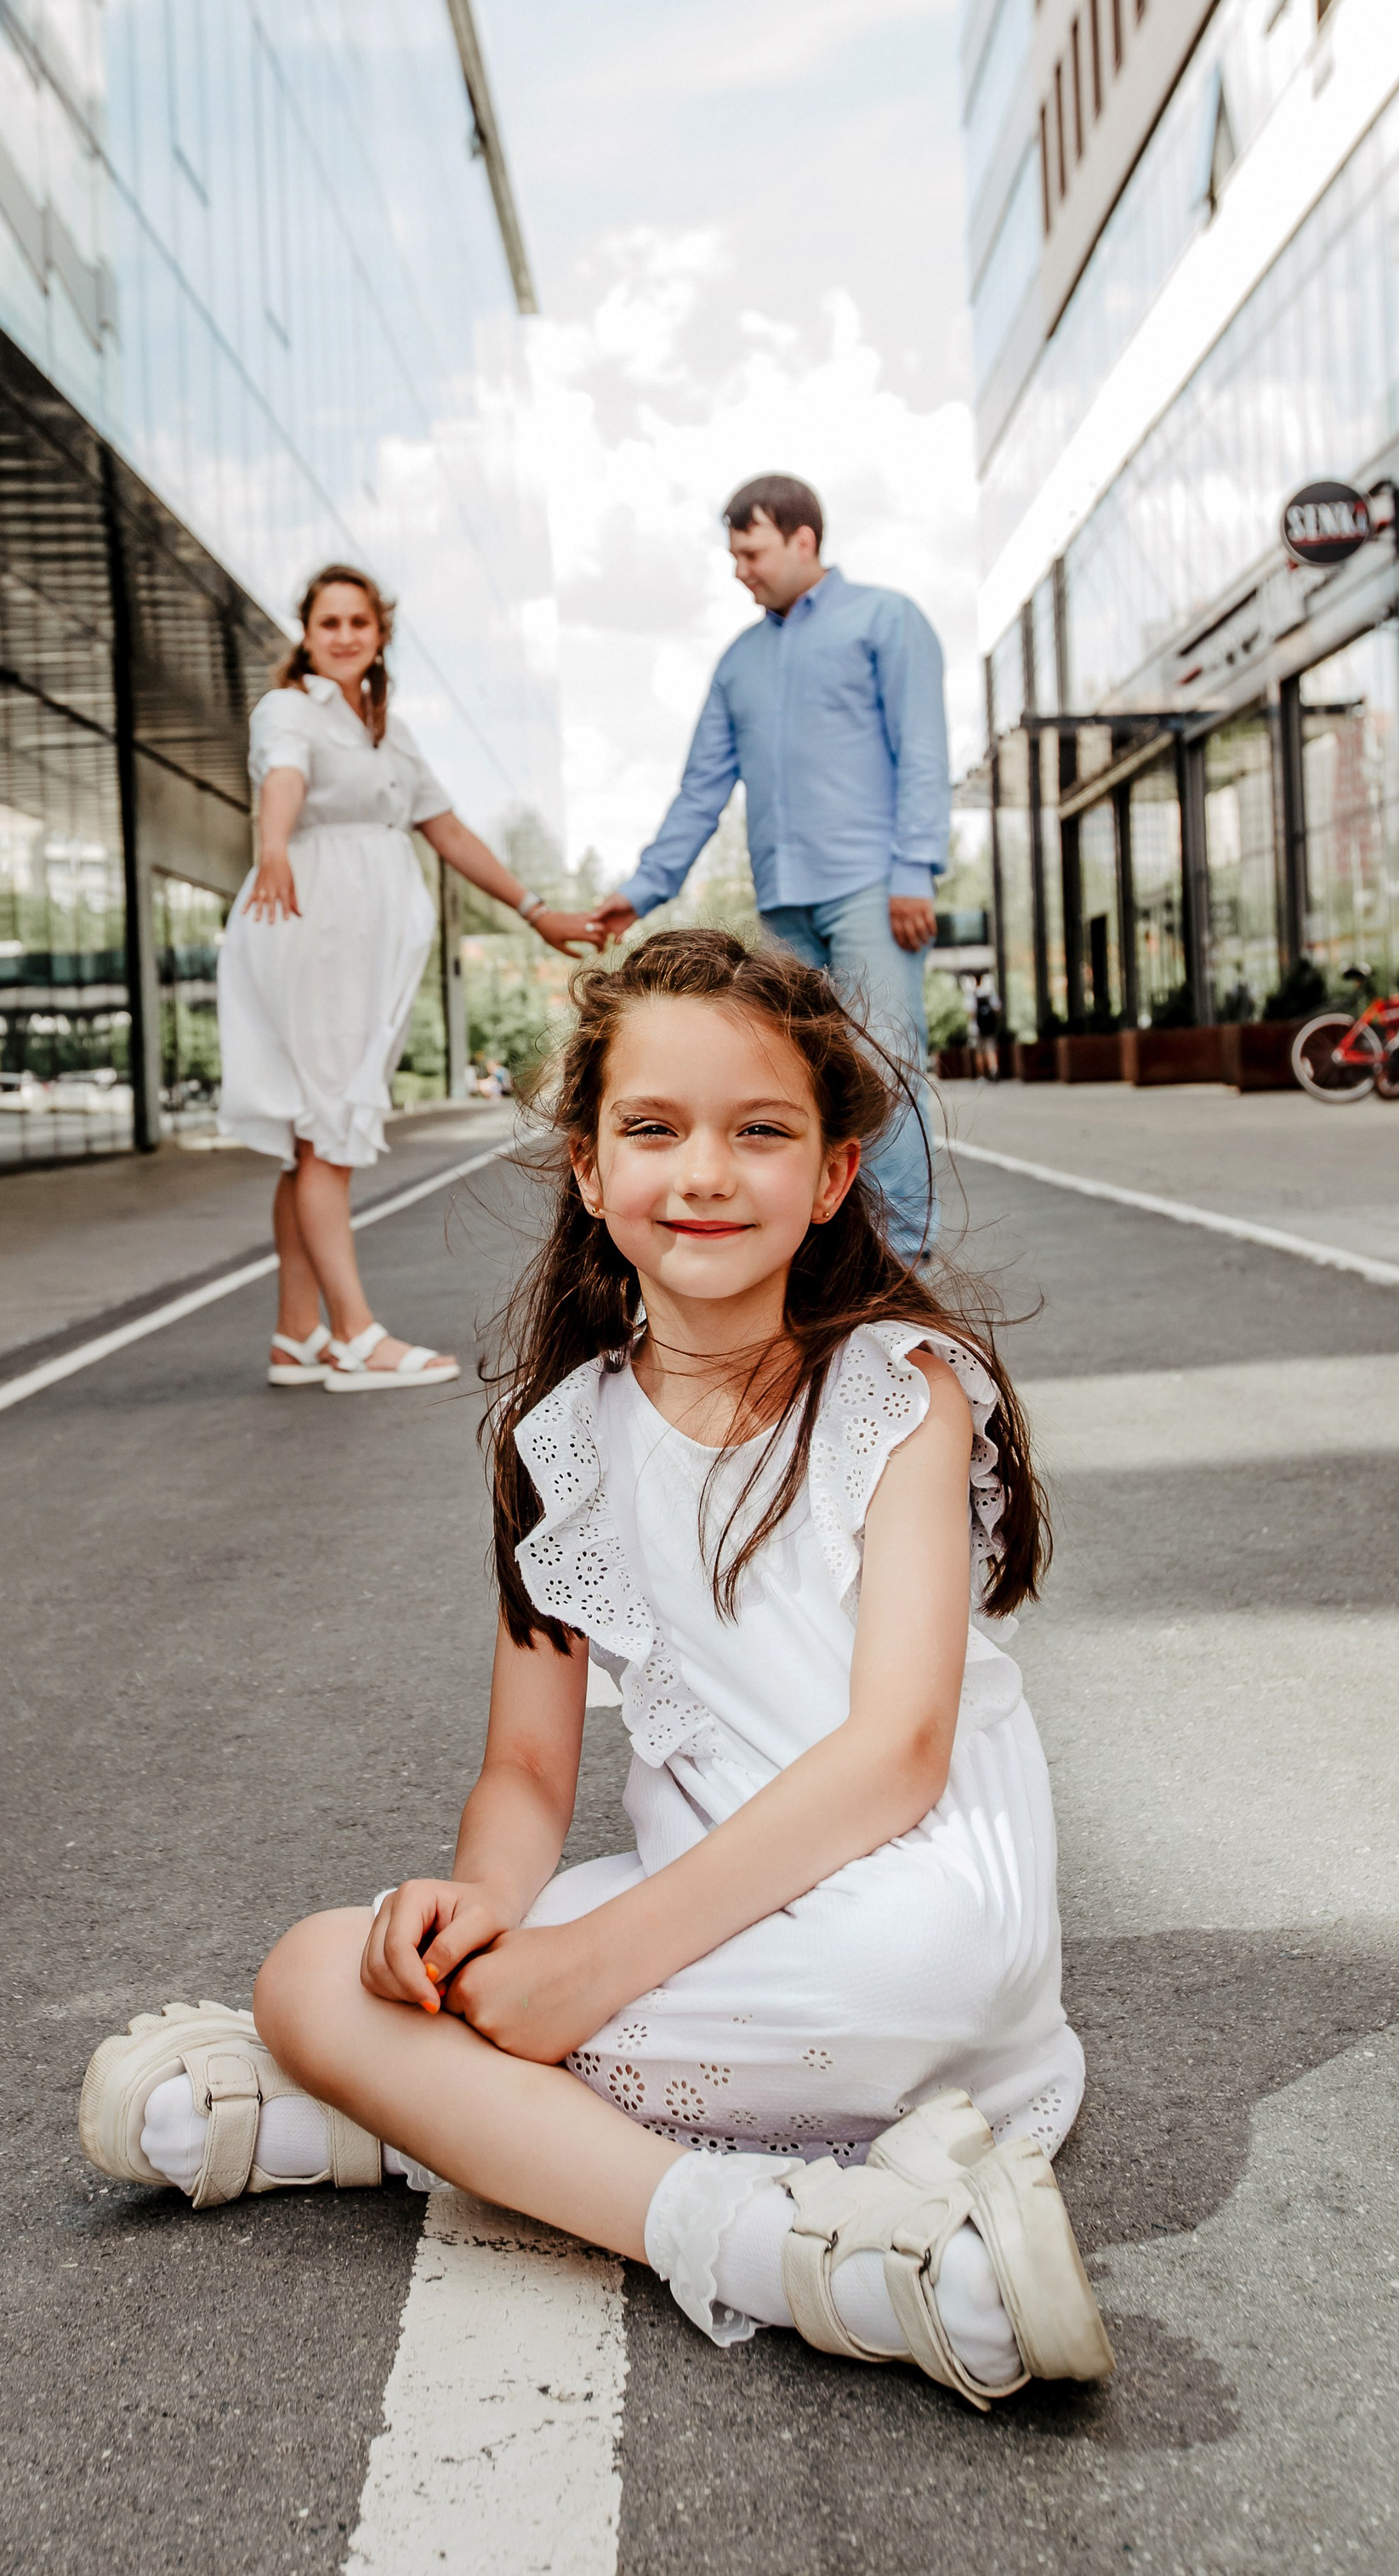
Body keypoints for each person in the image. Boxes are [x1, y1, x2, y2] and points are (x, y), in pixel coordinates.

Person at [80, 931, 1110, 2408]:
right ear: (586, 1163)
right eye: (654, 1129)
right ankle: (784, 2248)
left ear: (831, 1174)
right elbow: (525, 1772)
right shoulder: (563, 1439)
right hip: (714, 1930)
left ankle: (383, 2119)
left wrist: (577, 1971)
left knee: (899, 1964)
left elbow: (898, 1753)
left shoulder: (902, 1387)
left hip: (914, 1911)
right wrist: (482, 1915)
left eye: (760, 1131)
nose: (703, 1171)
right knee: (319, 1965)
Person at [217, 562, 598, 1395]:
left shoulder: (386, 728)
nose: (345, 635)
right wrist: (271, 843)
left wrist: (536, 909)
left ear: (379, 631)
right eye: (329, 623)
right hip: (309, 927)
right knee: (327, 1130)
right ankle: (355, 1334)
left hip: (362, 942)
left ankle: (296, 1333)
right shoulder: (290, 709)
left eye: (359, 621)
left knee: (310, 1140)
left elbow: (448, 828)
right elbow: (281, 774)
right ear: (307, 633)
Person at [588, 475, 951, 1256]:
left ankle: (906, 1258)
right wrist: (641, 892)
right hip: (785, 902)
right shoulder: (737, 662)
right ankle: (834, 1257)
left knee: (886, 1069)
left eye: (750, 551)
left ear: (803, 540)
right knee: (795, 1084)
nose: (738, 569)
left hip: (872, 890)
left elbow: (922, 749)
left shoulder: (887, 621)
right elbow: (701, 792)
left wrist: (916, 869)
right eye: (734, 554)